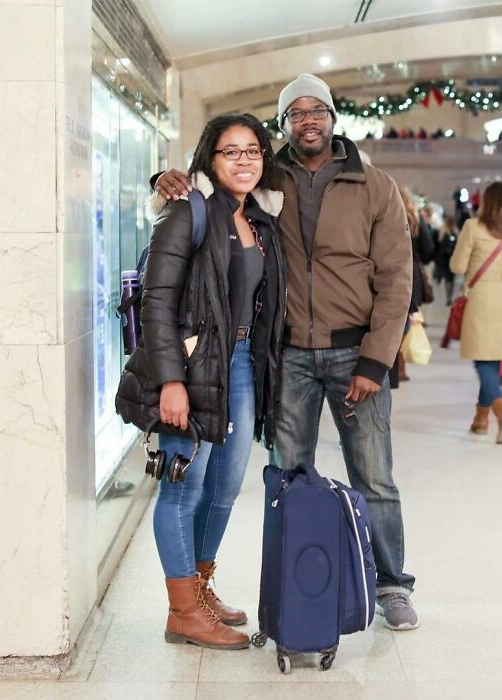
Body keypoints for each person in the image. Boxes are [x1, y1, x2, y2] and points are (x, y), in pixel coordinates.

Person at [154, 73, 418, 630]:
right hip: (288, 357)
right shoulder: (270, 181)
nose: (308, 120)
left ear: (332, 116)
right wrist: (165, 175)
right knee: (287, 478)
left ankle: (392, 585)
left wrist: (377, 359)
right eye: (295, 112)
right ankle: (292, 588)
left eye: (316, 109)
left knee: (374, 476)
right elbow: (217, 178)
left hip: (355, 356)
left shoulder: (374, 186)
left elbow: (397, 279)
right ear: (285, 123)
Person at [122, 114, 286, 650]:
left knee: (223, 487)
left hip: (238, 363)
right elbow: (157, 299)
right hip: (192, 366)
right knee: (182, 485)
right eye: (230, 151)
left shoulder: (258, 218)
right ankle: (182, 612)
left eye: (253, 150)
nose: (244, 160)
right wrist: (171, 380)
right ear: (208, 160)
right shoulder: (188, 210)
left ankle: (200, 586)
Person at [450, 181, 502, 444]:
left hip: (484, 295)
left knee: (483, 359)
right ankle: (481, 419)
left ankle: (500, 410)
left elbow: (457, 265)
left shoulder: (473, 227)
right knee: (495, 358)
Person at [392, 185, 434, 384]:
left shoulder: (385, 215)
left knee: (392, 317)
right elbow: (428, 250)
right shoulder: (415, 219)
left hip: (389, 272)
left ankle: (395, 363)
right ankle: (400, 364)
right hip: (411, 274)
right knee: (407, 319)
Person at [435, 215, 459, 305]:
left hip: (444, 258)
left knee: (448, 278)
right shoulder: (455, 232)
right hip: (450, 258)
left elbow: (438, 244)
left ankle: (448, 296)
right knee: (450, 279)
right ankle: (449, 296)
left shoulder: (442, 231)